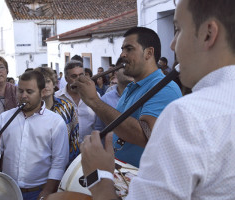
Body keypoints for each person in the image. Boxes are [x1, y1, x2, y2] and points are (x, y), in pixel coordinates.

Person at [80, 0, 235, 199]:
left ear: (208, 34)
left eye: (178, 30)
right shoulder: (132, 88)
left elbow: (145, 135)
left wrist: (98, 176)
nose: (172, 44)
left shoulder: (187, 115)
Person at [74, 27, 182, 167]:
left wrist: (94, 101)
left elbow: (146, 136)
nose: (122, 55)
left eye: (129, 49)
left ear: (149, 52)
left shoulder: (165, 88)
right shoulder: (131, 87)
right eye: (122, 49)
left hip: (142, 180)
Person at [0, 70, 69, 200]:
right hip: (8, 191)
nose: (23, 96)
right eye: (20, 91)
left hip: (39, 191)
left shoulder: (56, 122)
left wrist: (47, 191)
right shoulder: (4, 118)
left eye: (29, 92)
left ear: (42, 93)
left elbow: (59, 162)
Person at [34, 67, 80, 165]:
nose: (45, 86)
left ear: (54, 83)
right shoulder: (30, 111)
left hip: (65, 165)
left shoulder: (67, 107)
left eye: (48, 81)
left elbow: (74, 137)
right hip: (38, 167)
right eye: (41, 82)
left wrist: (69, 165)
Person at [55, 60, 97, 143]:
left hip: (90, 147)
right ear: (66, 78)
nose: (78, 80)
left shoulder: (95, 96)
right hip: (66, 148)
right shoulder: (57, 97)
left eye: (81, 75)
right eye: (74, 76)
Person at [94, 57, 134, 131]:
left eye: (133, 67)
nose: (130, 70)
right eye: (125, 66)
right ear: (116, 73)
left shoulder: (143, 96)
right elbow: (99, 129)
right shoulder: (105, 100)